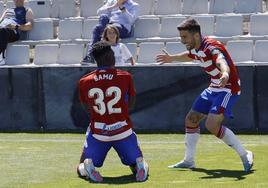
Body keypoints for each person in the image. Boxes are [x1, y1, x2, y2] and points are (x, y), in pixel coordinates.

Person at [156, 18, 254, 172]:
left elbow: (222, 61)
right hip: (214, 86)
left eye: (184, 37)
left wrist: (225, 74)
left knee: (211, 125)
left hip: (228, 87)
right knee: (191, 120)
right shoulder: (196, 47)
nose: (182, 40)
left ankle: (245, 154)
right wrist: (171, 58)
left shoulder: (211, 47)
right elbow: (190, 56)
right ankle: (189, 161)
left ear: (195, 36)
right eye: (181, 37)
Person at [77, 41, 148, 183]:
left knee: (80, 166)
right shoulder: (125, 76)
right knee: (135, 162)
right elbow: (132, 104)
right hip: (123, 130)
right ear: (110, 55)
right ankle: (140, 165)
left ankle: (87, 167)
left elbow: (87, 108)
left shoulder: (84, 81)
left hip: (99, 133)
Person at [0, 0, 33, 65]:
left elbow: (30, 26)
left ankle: (1, 57)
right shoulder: (7, 10)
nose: (17, 0)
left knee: (3, 31)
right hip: (3, 29)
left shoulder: (27, 10)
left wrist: (16, 27)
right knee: (2, 30)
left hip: (15, 31)